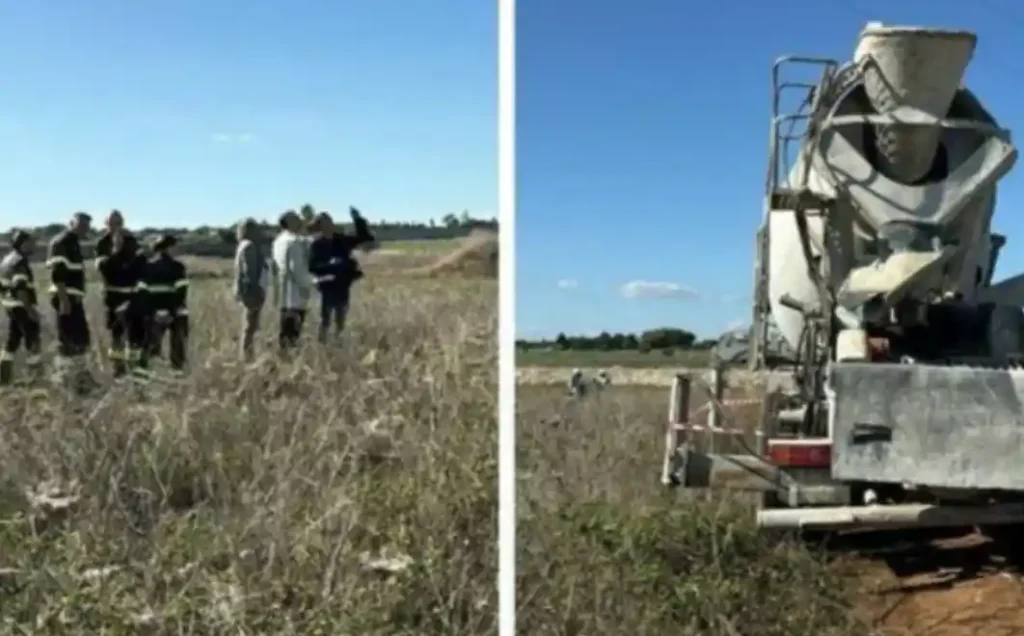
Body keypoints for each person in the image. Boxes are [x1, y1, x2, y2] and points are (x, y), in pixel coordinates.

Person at [308, 206, 374, 342]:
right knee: (325, 320)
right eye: (325, 223)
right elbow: (313, 267)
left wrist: (358, 219)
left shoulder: (340, 239)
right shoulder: (316, 244)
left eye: (330, 221)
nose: (330, 225)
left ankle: (338, 343)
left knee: (341, 319)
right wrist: (331, 265)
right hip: (326, 286)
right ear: (320, 226)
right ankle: (322, 345)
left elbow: (363, 238)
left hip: (343, 284)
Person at [94, 210, 148, 377]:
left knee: (135, 335)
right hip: (113, 296)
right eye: (112, 223)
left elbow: (141, 265)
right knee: (116, 334)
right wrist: (116, 251)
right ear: (106, 224)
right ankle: (118, 370)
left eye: (118, 223)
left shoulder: (132, 240)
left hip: (132, 294)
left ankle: (136, 369)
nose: (116, 227)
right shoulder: (102, 243)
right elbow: (105, 268)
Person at [46, 212, 94, 389]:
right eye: (81, 225)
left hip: (72, 298)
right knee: (68, 339)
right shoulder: (62, 242)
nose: (84, 229)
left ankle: (80, 378)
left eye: (87, 226)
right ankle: (63, 379)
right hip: (64, 297)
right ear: (71, 223)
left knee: (80, 338)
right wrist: (64, 299)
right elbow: (57, 273)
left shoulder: (73, 243)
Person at [140, 234, 190, 372]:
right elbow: (181, 292)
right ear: (169, 247)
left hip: (153, 314)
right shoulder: (178, 267)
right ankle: (177, 376)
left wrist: (155, 311)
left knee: (149, 348)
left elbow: (143, 292)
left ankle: (143, 380)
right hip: (176, 313)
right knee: (178, 349)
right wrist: (170, 311)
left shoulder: (147, 266)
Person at [0, 230, 41, 385]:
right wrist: (30, 310)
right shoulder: (20, 262)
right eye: (31, 242)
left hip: (10, 307)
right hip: (22, 308)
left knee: (12, 342)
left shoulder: (6, 260)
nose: (34, 245)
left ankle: (3, 378)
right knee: (33, 342)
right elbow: (21, 289)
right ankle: (35, 380)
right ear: (23, 244)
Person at [271, 210, 313, 351]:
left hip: (283, 289)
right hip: (295, 291)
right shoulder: (293, 242)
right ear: (288, 222)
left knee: (285, 328)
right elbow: (297, 268)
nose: (300, 220)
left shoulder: (278, 241)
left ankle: (283, 357)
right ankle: (289, 359)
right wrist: (307, 285)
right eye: (296, 218)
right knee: (293, 331)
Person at [233, 217, 269, 362]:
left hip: (245, 290)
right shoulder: (249, 246)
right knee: (250, 326)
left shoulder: (242, 245)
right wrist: (256, 290)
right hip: (251, 291)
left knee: (249, 325)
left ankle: (247, 355)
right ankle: (247, 357)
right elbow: (250, 271)